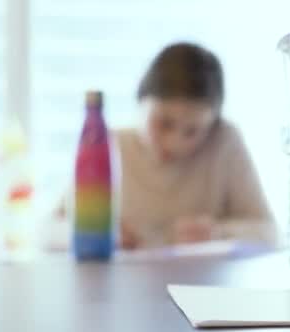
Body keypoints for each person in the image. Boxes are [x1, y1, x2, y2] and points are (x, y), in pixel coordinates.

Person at [55, 42, 276, 250]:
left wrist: (218, 232)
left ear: (212, 124)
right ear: (141, 100)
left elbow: (269, 233)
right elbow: (49, 229)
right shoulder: (109, 145)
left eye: (192, 131)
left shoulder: (225, 141)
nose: (175, 143)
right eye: (164, 123)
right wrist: (101, 234)